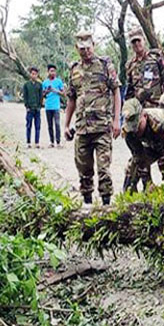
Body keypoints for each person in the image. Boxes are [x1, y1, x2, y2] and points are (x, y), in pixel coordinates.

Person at [64, 31, 122, 206]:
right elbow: (71, 98)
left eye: (88, 48)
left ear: (93, 45)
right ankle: (87, 204)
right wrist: (66, 125)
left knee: (104, 169)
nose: (86, 52)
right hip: (82, 129)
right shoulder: (74, 69)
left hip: (102, 127)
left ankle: (106, 204)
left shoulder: (105, 65)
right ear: (77, 48)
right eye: (82, 49)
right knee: (84, 170)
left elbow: (116, 91)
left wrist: (117, 119)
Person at [121, 98, 164, 192]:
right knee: (133, 167)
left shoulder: (161, 123)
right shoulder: (128, 132)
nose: (135, 131)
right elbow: (139, 157)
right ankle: (129, 194)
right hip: (150, 147)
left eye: (137, 126)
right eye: (132, 128)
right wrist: (148, 183)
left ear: (144, 116)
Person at [124, 26, 164, 108]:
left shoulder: (156, 57)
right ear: (131, 45)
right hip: (140, 111)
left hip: (157, 107)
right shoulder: (130, 65)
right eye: (134, 42)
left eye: (138, 40)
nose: (137, 43)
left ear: (144, 40)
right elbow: (129, 91)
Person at [42, 64, 65, 148]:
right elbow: (42, 94)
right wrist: (47, 91)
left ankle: (58, 142)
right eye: (51, 71)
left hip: (56, 106)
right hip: (48, 106)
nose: (53, 73)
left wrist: (55, 90)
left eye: (54, 71)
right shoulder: (45, 82)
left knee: (57, 124)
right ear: (48, 72)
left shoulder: (59, 81)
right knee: (50, 125)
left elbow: (63, 93)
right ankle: (51, 142)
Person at [22, 67, 42, 148]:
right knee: (28, 126)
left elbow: (41, 96)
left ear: (37, 75)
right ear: (30, 74)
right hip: (29, 109)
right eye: (32, 74)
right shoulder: (26, 85)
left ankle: (37, 142)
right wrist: (26, 106)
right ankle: (28, 142)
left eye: (35, 74)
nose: (34, 75)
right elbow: (25, 96)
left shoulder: (39, 85)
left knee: (37, 126)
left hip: (37, 109)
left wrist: (40, 106)